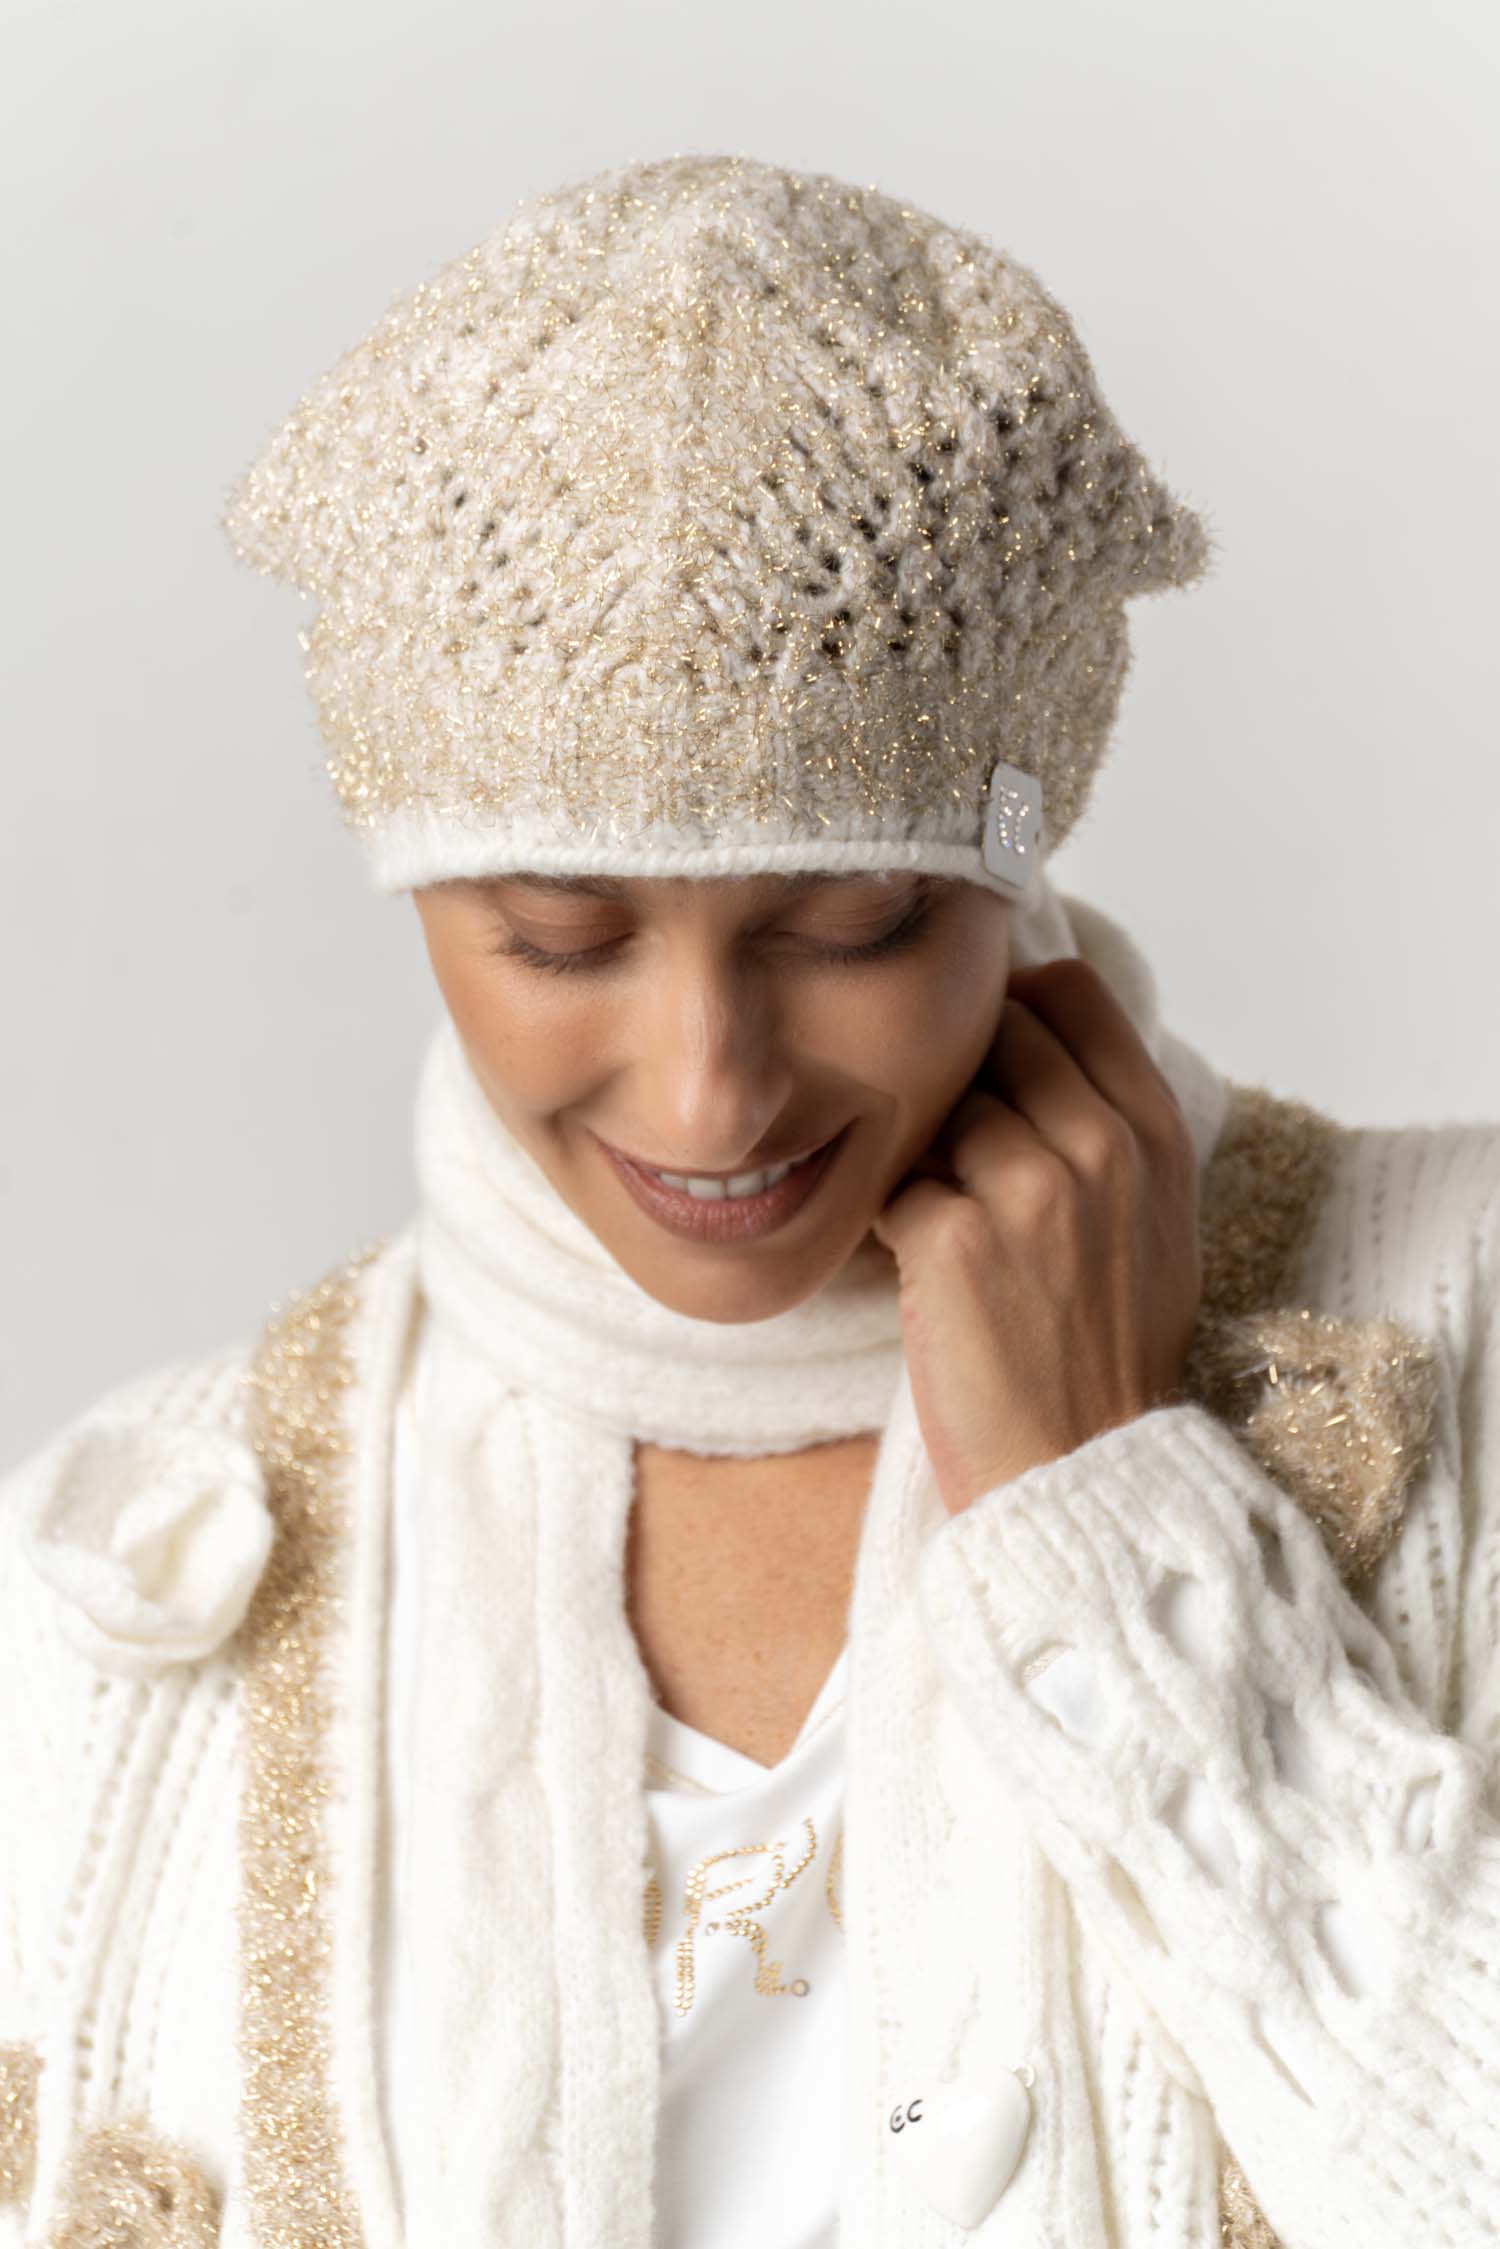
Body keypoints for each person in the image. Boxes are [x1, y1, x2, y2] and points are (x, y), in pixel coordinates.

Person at [1, 150, 1498, 2249]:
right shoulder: (127, 1569)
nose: (710, 1089)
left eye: (855, 921)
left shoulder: (1457, 1318)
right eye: (562, 937)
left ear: (1013, 855)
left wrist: (1117, 1520)